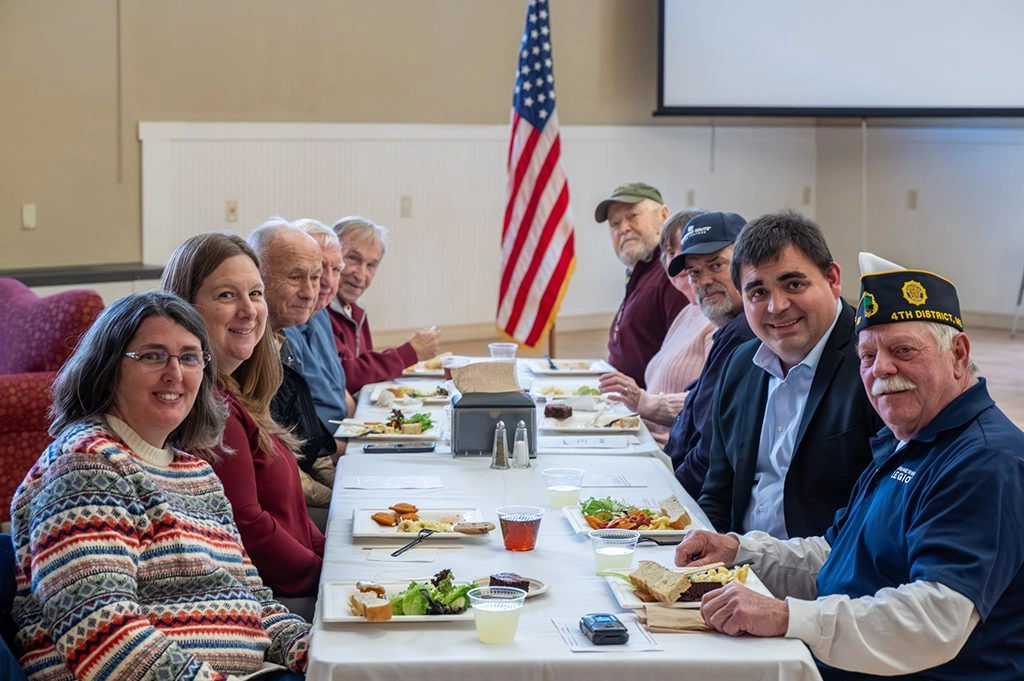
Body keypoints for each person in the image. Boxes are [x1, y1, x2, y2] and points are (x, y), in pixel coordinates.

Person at [674, 254, 1024, 680]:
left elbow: (934, 620)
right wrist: (740, 551)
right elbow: (837, 555)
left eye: (904, 350)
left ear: (958, 354)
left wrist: (788, 617)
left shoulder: (984, 461)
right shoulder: (909, 441)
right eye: (868, 355)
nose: (882, 369)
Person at [10, 291, 310, 680]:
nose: (175, 373)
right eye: (152, 355)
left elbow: (254, 604)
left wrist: (320, 651)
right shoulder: (84, 467)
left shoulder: (198, 475)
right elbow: (102, 638)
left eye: (189, 357)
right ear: (107, 368)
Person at [161, 232, 325, 606]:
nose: (249, 310)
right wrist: (328, 576)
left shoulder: (238, 394)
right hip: (270, 601)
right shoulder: (211, 407)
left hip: (297, 582)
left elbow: (294, 516)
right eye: (226, 295)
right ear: (185, 309)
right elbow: (248, 528)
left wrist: (336, 561)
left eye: (255, 293)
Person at [698, 211, 882, 539]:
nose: (776, 306)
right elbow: (717, 494)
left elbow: (879, 518)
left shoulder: (874, 365)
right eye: (758, 292)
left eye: (793, 284)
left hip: (826, 575)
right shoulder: (739, 366)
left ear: (833, 279)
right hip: (737, 569)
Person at [598, 209, 715, 447]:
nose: (676, 261)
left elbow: (709, 402)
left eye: (685, 251)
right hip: (642, 434)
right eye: (670, 253)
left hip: (668, 450)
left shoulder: (717, 322)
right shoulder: (688, 313)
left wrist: (643, 401)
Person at [662, 211, 757, 498]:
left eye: (716, 265)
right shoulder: (729, 329)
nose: (703, 281)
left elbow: (709, 454)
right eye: (694, 273)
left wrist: (666, 497)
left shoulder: (743, 334)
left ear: (746, 266)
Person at [248, 220, 341, 509]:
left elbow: (309, 433)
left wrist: (339, 485)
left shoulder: (280, 339)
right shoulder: (245, 352)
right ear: (259, 277)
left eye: (315, 277)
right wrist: (336, 500)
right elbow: (276, 464)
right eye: (296, 277)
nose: (310, 292)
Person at [328, 215, 440, 393]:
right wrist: (409, 352)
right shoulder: (319, 311)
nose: (361, 274)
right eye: (353, 259)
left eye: (371, 265)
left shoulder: (356, 309)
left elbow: (362, 371)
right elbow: (344, 376)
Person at [594, 182, 689, 388]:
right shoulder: (641, 272)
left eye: (632, 216)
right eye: (614, 224)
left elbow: (685, 360)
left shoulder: (673, 274)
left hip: (648, 409)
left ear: (663, 216)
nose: (624, 228)